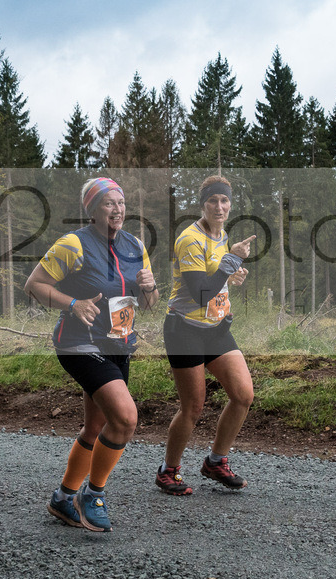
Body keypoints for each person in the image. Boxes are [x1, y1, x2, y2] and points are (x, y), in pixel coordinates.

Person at [24, 176, 158, 531]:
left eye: (121, 203)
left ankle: (63, 497)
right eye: (108, 203)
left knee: (97, 425)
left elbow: (146, 303)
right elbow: (34, 285)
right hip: (79, 344)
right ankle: (92, 494)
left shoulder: (135, 245)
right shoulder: (74, 244)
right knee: (126, 419)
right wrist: (72, 303)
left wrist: (150, 288)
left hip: (119, 343)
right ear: (93, 209)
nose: (117, 209)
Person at [157, 175, 256, 495]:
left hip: (216, 330)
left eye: (224, 200)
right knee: (193, 407)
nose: (219, 206)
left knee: (243, 395)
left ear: (230, 204)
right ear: (202, 204)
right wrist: (232, 262)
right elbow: (200, 293)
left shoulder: (221, 235)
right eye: (213, 200)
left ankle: (216, 462)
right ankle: (167, 470)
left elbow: (215, 279)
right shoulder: (190, 239)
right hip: (184, 330)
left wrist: (232, 277)